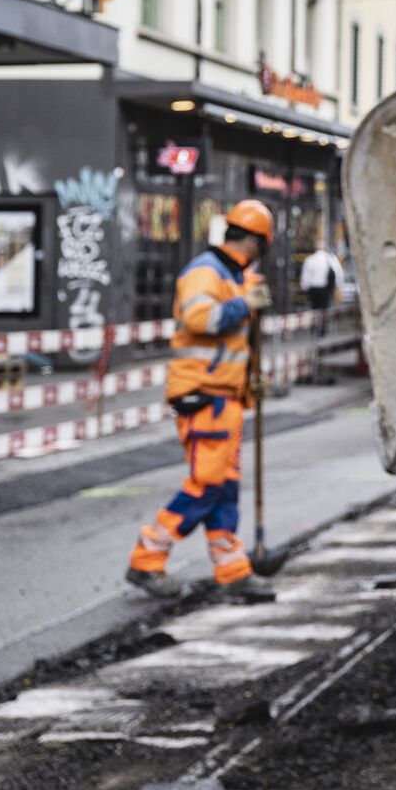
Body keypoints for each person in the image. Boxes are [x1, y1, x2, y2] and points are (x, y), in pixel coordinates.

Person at [126, 199, 274, 599]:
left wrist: (252, 383)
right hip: (203, 396)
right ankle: (146, 559)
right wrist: (245, 304)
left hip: (226, 397)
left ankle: (233, 572)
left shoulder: (235, 276)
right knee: (207, 484)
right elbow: (200, 320)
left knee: (224, 487)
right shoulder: (205, 272)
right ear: (256, 242)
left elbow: (234, 345)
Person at [300, 239, 344, 336]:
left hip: (313, 289)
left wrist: (304, 287)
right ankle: (322, 330)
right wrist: (338, 286)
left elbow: (305, 276)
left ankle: (314, 328)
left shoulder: (310, 259)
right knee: (324, 309)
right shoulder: (331, 259)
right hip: (325, 288)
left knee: (314, 308)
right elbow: (338, 273)